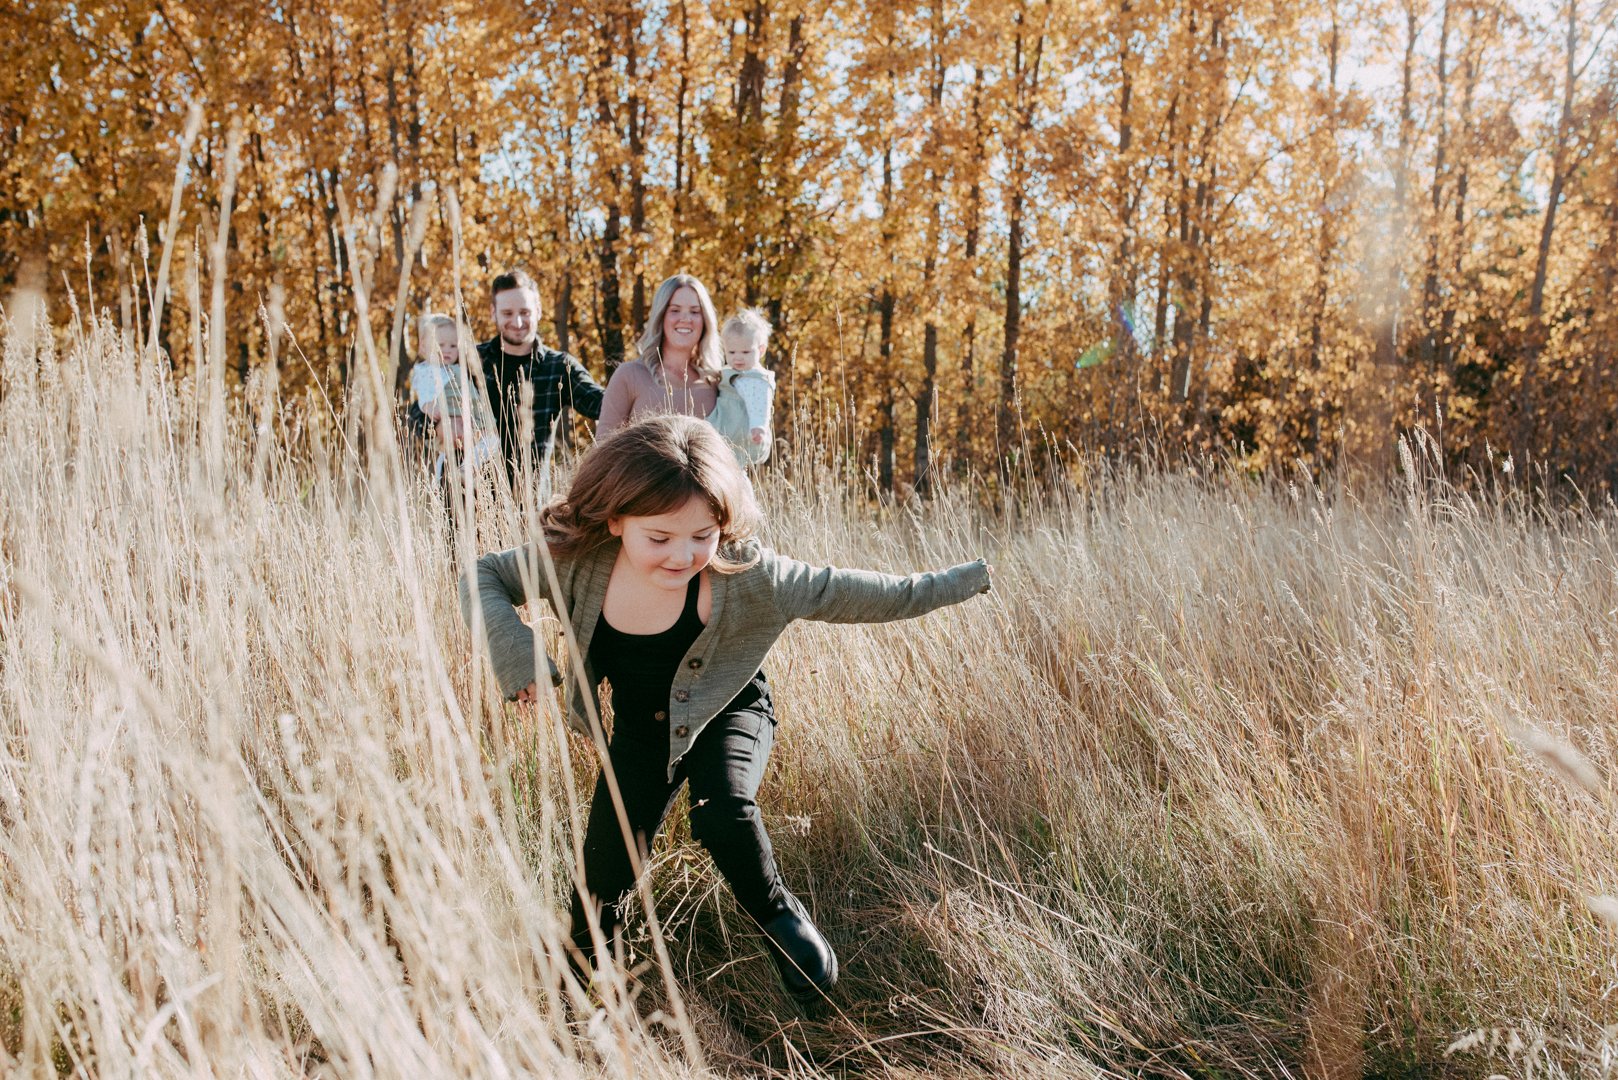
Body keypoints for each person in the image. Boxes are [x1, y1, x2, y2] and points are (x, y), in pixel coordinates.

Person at [459, 415, 993, 1004]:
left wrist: (964, 580)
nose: (682, 555)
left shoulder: (750, 574)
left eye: (702, 535)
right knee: (603, 869)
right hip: (643, 733)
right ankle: (584, 994)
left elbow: (865, 592)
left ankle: (782, 925)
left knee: (722, 810)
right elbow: (484, 574)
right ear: (614, 520)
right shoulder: (576, 563)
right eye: (659, 538)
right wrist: (518, 654)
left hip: (734, 711)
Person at [477, 269, 605, 480]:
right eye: (508, 313)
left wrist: (639, 379)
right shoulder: (470, 360)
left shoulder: (558, 366)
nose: (517, 323)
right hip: (467, 503)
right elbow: (419, 413)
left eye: (525, 312)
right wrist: (441, 425)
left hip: (529, 502)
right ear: (493, 312)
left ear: (538, 310)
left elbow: (603, 404)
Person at [595, 274, 722, 439]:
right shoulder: (630, 375)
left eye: (695, 311)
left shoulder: (717, 383)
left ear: (705, 320)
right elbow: (602, 449)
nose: (685, 319)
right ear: (661, 316)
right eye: (675, 310)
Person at [409, 313, 500, 481]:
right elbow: (423, 395)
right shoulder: (428, 371)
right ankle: (456, 471)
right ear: (423, 347)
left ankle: (467, 465)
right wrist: (428, 408)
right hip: (452, 417)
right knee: (452, 449)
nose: (446, 351)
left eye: (452, 346)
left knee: (491, 441)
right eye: (440, 345)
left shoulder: (460, 367)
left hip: (473, 419)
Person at [707, 308, 777, 466]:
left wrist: (758, 426)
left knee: (734, 466)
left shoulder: (754, 378)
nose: (738, 357)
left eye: (745, 352)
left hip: (738, 431)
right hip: (726, 426)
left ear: (761, 350)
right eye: (731, 352)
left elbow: (759, 403)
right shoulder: (735, 371)